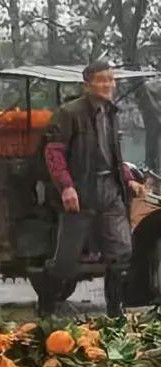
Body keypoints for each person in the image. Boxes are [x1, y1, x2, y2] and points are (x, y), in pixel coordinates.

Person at [40, 60, 146, 318]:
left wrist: (128, 178)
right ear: (87, 83)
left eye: (111, 79)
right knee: (66, 258)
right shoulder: (68, 113)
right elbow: (54, 153)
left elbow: (111, 155)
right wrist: (66, 187)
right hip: (81, 191)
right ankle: (47, 309)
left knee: (121, 252)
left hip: (110, 190)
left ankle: (115, 311)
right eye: (102, 79)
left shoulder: (111, 112)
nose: (108, 84)